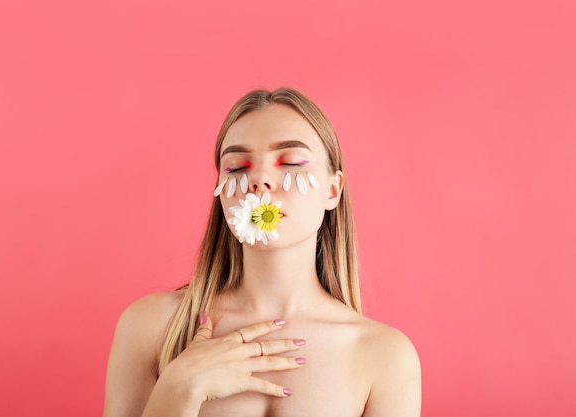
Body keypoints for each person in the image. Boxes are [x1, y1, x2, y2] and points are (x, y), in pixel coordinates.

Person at [103, 88, 421, 417]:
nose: (260, 179)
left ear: (332, 190)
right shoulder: (151, 327)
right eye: (237, 168)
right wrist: (177, 388)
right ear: (221, 195)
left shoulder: (386, 356)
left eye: (292, 162)